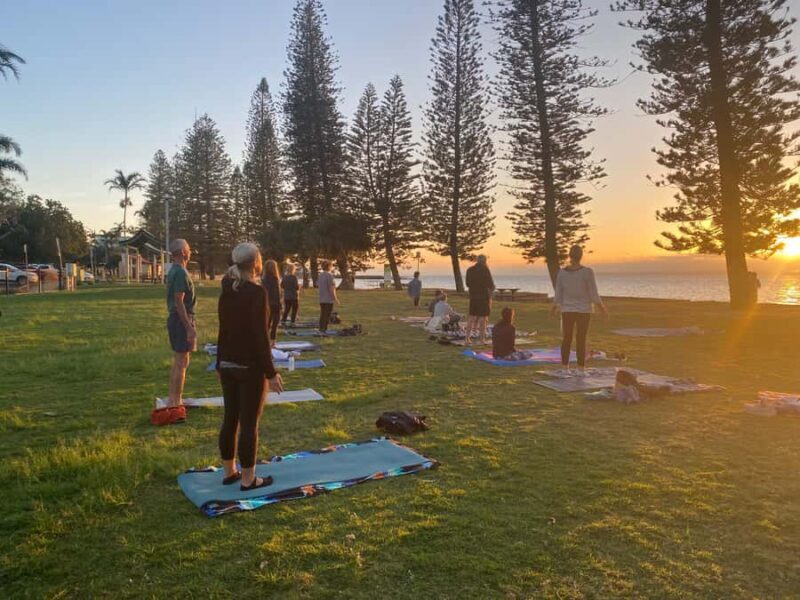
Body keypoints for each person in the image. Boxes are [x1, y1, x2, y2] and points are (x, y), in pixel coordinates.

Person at [216, 243, 284, 491]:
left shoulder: (227, 290)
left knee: (230, 419)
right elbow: (260, 338)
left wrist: (219, 362)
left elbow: (223, 329)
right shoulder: (257, 293)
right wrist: (271, 372)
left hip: (227, 364)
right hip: (249, 367)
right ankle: (248, 479)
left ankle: (229, 472)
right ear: (256, 263)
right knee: (248, 424)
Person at [551, 245, 608, 374]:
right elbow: (593, 293)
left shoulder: (562, 273)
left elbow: (558, 293)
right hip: (583, 310)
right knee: (581, 339)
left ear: (570, 256)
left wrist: (554, 307)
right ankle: (580, 368)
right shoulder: (587, 272)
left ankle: (565, 367)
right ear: (581, 256)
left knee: (567, 338)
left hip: (568, 310)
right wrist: (602, 308)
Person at [165, 238, 196, 423]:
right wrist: (189, 327)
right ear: (183, 253)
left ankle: (175, 399)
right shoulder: (180, 272)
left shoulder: (176, 271)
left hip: (178, 319)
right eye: (189, 249)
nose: (190, 252)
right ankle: (175, 402)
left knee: (181, 361)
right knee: (181, 361)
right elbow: (179, 301)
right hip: (181, 319)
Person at [465, 255, 495, 346]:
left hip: (473, 296)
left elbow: (467, 284)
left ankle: (467, 338)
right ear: (485, 261)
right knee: (483, 319)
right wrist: (492, 288)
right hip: (483, 297)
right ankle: (481, 339)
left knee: (471, 318)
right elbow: (490, 284)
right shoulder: (485, 269)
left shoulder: (469, 270)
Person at [261, 259, 282, 344]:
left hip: (266, 303)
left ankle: (265, 340)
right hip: (274, 303)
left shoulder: (263, 279)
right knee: (275, 322)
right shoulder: (275, 279)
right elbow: (276, 292)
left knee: (267, 323)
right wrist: (280, 304)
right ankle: (273, 341)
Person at [317, 261, 339, 332]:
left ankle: (321, 328)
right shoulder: (329, 275)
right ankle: (324, 329)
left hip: (321, 298)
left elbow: (318, 285)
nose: (332, 267)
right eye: (331, 266)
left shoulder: (320, 275)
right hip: (328, 299)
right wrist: (335, 298)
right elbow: (331, 288)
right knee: (327, 315)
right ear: (329, 267)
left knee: (323, 314)